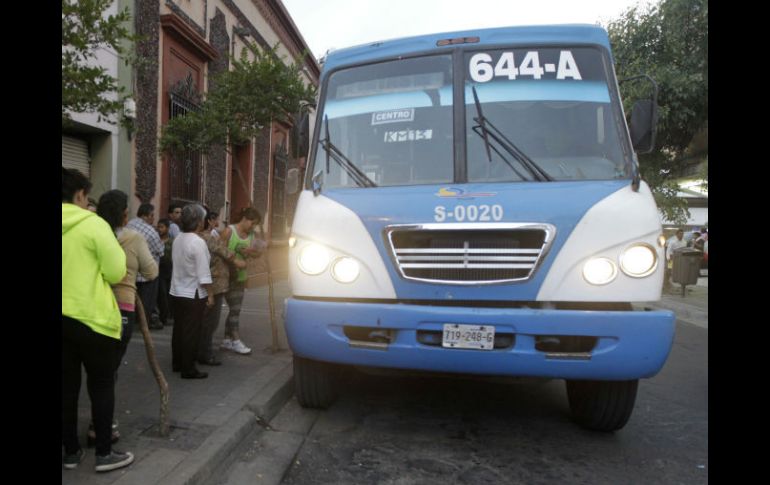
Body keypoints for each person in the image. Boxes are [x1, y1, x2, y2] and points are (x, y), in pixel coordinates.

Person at [62, 167, 135, 472]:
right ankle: (104, 454)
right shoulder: (93, 224)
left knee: (65, 388)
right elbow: (116, 271)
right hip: (93, 320)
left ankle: (70, 453)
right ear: (80, 195)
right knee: (102, 386)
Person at [92, 189, 158, 446]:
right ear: (123, 213)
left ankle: (97, 425)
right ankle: (101, 427)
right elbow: (151, 272)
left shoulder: (95, 233)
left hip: (93, 306)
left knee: (98, 370)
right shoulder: (134, 237)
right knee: (109, 372)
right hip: (122, 308)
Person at [170, 204, 214, 379]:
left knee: (179, 329)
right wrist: (210, 294)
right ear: (198, 222)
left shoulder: (179, 238)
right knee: (191, 332)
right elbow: (204, 274)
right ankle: (188, 368)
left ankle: (177, 363)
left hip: (176, 291)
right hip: (192, 293)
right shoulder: (198, 242)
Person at [198, 209, 245, 366]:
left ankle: (200, 351)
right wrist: (237, 261)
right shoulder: (206, 237)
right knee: (210, 322)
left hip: (208, 283)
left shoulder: (191, 237)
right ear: (208, 221)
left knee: (204, 321)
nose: (218, 223)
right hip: (214, 284)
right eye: (215, 219)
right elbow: (223, 251)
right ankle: (205, 353)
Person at [219, 207, 267, 355]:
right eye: (252, 223)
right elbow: (219, 251)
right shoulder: (229, 231)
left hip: (240, 277)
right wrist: (234, 259)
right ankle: (236, 340)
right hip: (226, 277)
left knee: (235, 309)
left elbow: (259, 253)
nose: (253, 227)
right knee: (235, 309)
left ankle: (227, 339)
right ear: (245, 219)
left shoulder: (253, 235)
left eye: (255, 225)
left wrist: (251, 251)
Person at [127, 203, 165, 330]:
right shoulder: (151, 231)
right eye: (152, 215)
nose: (153, 218)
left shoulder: (129, 224)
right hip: (147, 274)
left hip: (130, 271)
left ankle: (132, 321)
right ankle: (144, 324)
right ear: (145, 215)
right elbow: (160, 250)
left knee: (132, 299)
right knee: (147, 301)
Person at [157, 218, 174, 326]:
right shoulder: (156, 239)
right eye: (158, 227)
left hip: (169, 270)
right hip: (159, 270)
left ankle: (167, 315)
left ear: (167, 228)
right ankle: (162, 316)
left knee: (167, 293)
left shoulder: (172, 241)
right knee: (161, 294)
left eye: (162, 227)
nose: (159, 229)